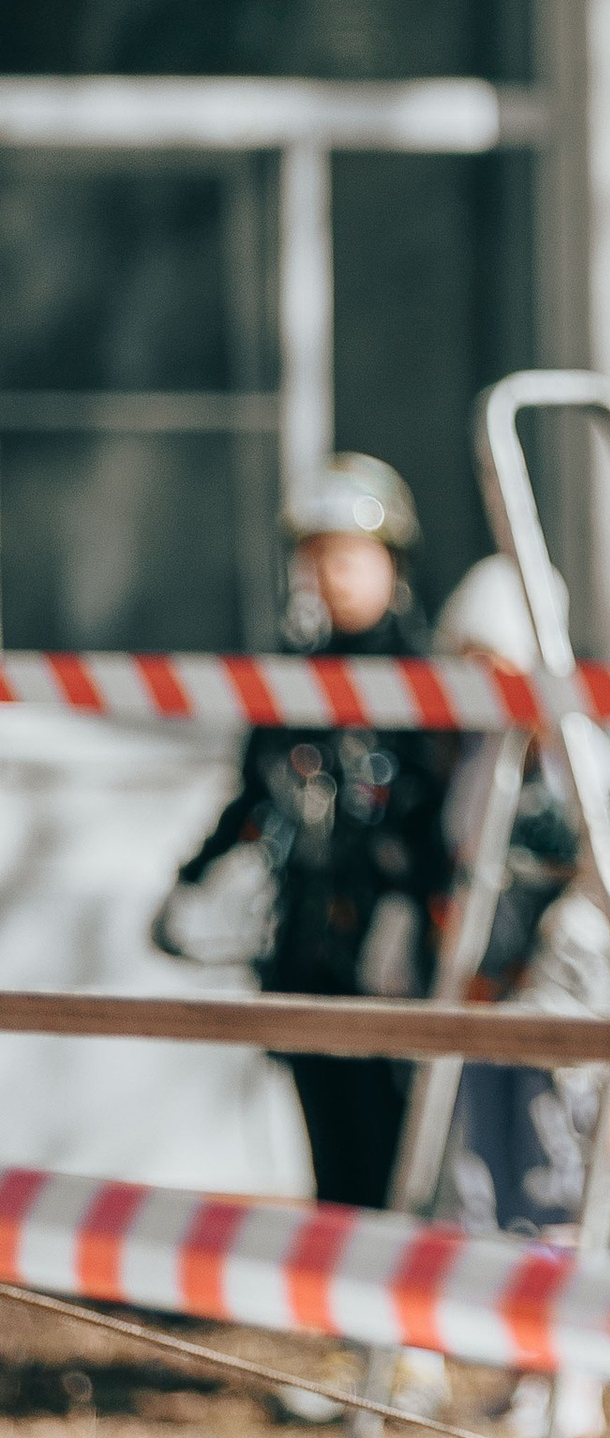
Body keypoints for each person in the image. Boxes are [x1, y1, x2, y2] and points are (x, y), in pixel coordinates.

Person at [160, 456, 460, 1220]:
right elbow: (256, 792)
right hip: (305, 942)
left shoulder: (426, 676)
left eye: (350, 557)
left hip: (391, 948)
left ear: (393, 564)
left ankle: (398, 1286)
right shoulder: (292, 678)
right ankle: (340, 1284)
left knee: (396, 1144)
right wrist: (193, 877)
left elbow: (442, 812)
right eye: (318, 557)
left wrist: (416, 910)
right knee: (328, 1143)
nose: (333, 576)